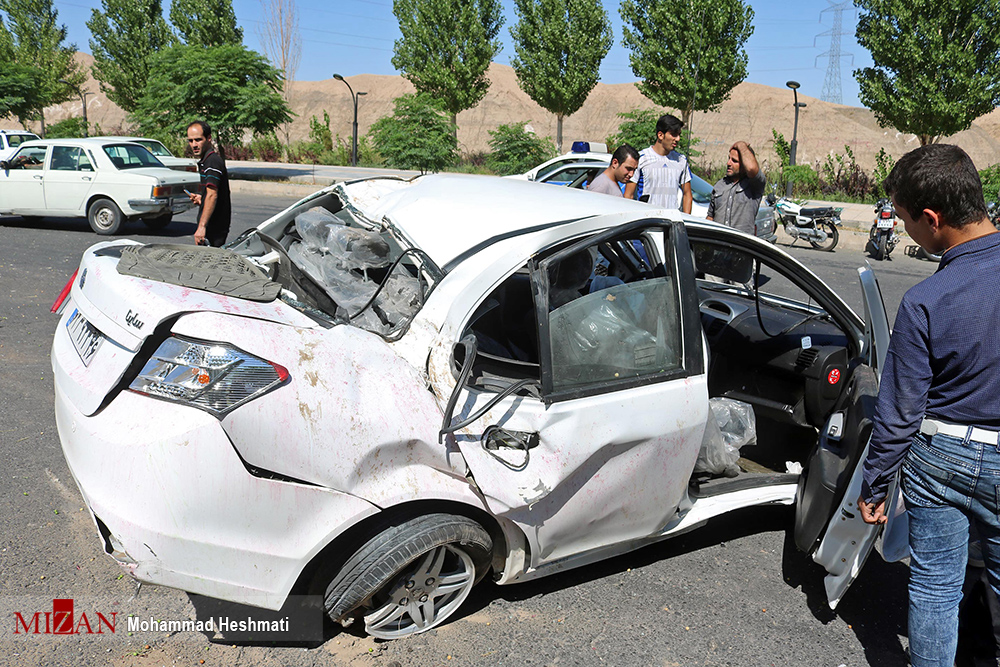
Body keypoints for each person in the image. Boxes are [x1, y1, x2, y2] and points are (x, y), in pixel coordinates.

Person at [856, 144, 1000, 667]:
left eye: (906, 219)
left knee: (935, 590)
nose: (904, 229)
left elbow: (900, 412)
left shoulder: (925, 301)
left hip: (938, 459)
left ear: (933, 219)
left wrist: (875, 482)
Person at [624, 114, 692, 213]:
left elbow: (687, 195)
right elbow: (628, 195)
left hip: (672, 219)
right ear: (660, 135)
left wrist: (685, 219)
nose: (678, 139)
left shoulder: (681, 160)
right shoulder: (641, 158)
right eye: (673, 134)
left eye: (679, 135)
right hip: (647, 219)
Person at [186, 120, 231, 247]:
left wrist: (202, 227)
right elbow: (212, 194)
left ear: (209, 138)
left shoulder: (212, 162)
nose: (194, 144)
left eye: (198, 140)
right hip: (212, 226)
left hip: (214, 228)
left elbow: (212, 195)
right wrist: (202, 198)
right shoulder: (207, 161)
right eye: (190, 141)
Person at [706, 141, 766, 235]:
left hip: (741, 243)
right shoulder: (720, 185)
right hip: (718, 242)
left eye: (734, 161)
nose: (728, 163)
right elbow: (710, 217)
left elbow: (751, 168)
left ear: (744, 164)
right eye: (729, 159)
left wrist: (741, 144)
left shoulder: (753, 185)